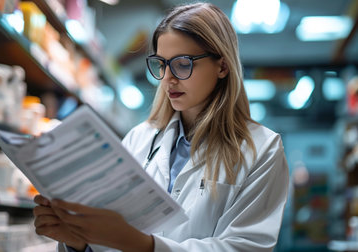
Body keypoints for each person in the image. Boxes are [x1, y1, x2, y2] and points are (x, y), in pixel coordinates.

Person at [33, 2, 289, 252]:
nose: (168, 79)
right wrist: (79, 242)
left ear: (222, 66)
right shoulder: (139, 139)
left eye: (182, 64)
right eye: (162, 64)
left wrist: (142, 245)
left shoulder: (262, 149)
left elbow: (243, 246)